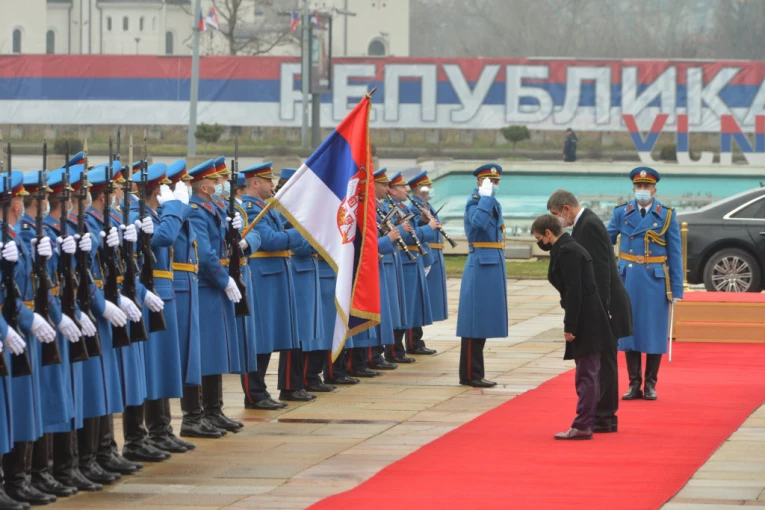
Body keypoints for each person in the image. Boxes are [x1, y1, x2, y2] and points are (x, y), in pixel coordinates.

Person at [547, 190, 633, 433]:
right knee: (603, 361)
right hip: (603, 302)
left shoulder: (589, 225)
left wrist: (602, 308)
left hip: (606, 303)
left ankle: (604, 416)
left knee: (604, 362)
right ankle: (604, 416)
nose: (557, 220)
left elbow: (600, 270)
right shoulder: (584, 223)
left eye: (555, 214)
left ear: (566, 208)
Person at [239, 162, 314, 406]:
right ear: (255, 183)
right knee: (260, 338)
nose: (273, 184)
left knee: (270, 337)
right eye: (268, 180)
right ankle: (254, 394)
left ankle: (260, 392)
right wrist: (301, 233)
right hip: (262, 278)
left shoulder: (265, 207)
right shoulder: (251, 209)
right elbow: (270, 241)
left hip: (274, 276)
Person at [606, 167, 683, 401]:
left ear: (654, 189)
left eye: (646, 186)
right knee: (629, 331)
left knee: (653, 332)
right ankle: (633, 383)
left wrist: (677, 288)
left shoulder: (666, 215)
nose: (642, 190)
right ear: (633, 188)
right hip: (628, 279)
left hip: (655, 280)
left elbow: (675, 254)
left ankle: (650, 384)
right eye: (638, 186)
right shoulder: (621, 212)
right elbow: (605, 241)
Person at [532, 214, 611, 441]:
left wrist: (570, 326)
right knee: (587, 372)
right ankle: (586, 422)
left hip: (586, 318)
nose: (539, 243)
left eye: (539, 238)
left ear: (548, 233)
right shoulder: (567, 248)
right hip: (588, 315)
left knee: (586, 374)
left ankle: (583, 425)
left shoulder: (568, 252)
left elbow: (575, 291)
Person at [187, 159, 250, 428]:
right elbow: (204, 253)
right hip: (206, 285)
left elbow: (224, 243)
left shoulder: (214, 208)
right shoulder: (196, 212)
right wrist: (224, 281)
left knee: (216, 351)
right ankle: (197, 414)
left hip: (217, 284)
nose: (221, 184)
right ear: (204, 187)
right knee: (204, 352)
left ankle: (214, 410)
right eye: (215, 181)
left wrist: (231, 227)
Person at [166, 160, 223, 440]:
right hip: (179, 289)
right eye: (184, 184)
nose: (187, 189)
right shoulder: (173, 213)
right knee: (187, 356)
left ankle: (205, 413)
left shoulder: (186, 211)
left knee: (197, 354)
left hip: (188, 286)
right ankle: (191, 417)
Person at [455, 164, 506, 387]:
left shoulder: (490, 201)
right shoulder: (475, 202)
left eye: (496, 182)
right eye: (489, 181)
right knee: (474, 322)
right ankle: (470, 374)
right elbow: (477, 223)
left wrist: (488, 198)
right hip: (481, 264)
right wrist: (485, 198)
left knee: (482, 321)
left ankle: (475, 372)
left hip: (492, 263)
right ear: (479, 182)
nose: (493, 185)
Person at [388, 172, 439, 357]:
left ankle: (409, 345)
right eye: (401, 187)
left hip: (413, 259)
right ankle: (396, 349)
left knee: (413, 304)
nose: (405, 189)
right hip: (404, 260)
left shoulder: (402, 207)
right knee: (405, 305)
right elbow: (407, 235)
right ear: (392, 191)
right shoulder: (391, 208)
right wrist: (428, 228)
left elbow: (412, 228)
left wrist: (421, 222)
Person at [408, 171, 448, 346]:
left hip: (433, 254)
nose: (431, 188)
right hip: (424, 255)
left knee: (425, 299)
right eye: (428, 186)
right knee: (417, 298)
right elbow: (416, 232)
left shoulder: (425, 205)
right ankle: (413, 341)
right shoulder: (414, 207)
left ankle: (416, 339)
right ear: (421, 189)